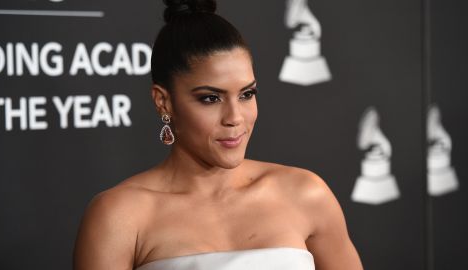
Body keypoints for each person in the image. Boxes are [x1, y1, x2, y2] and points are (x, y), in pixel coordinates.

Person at [73, 0, 363, 269]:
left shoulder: (306, 194)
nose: (235, 118)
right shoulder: (119, 217)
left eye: (247, 94)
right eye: (211, 98)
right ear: (164, 101)